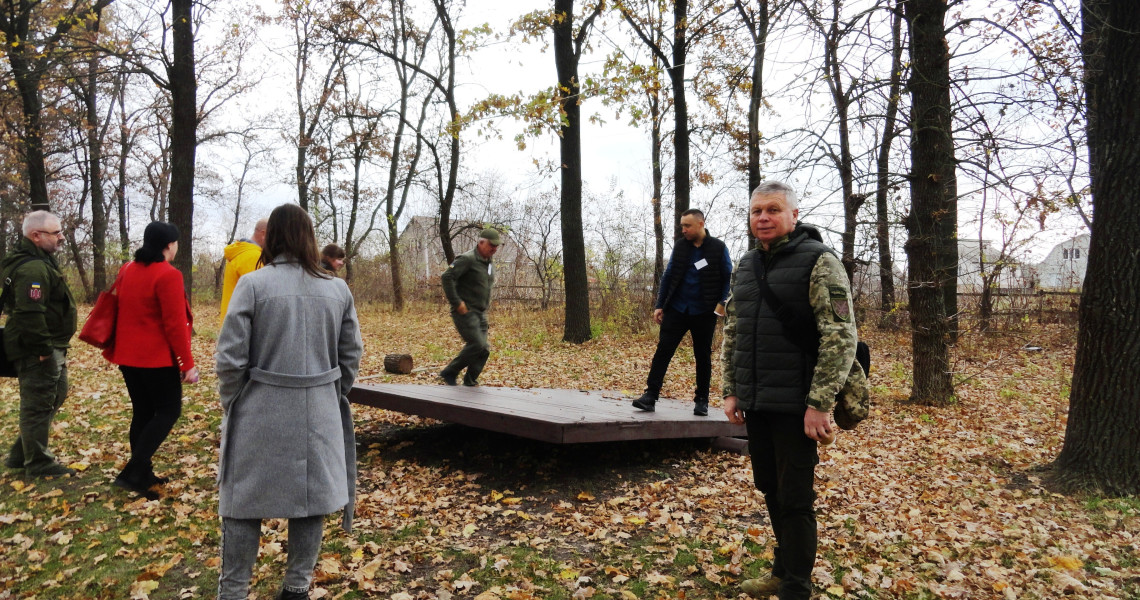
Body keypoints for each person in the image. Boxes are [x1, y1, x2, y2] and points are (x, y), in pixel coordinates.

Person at [721, 181, 866, 600]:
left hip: (799, 405)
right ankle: (782, 571)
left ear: (793, 215)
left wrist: (820, 403)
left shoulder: (819, 261)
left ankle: (796, 588)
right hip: (758, 401)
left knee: (796, 497)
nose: (762, 218)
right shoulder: (747, 264)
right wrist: (732, 390)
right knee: (770, 486)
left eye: (772, 210)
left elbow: (841, 337)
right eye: (756, 211)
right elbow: (734, 333)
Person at [215, 203, 363, 600]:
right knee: (310, 501)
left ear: (273, 236)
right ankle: (296, 588)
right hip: (320, 409)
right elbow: (351, 356)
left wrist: (234, 404)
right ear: (309, 237)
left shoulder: (253, 285)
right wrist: (330, 395)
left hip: (259, 409)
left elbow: (230, 360)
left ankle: (233, 591)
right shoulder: (337, 289)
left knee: (244, 500)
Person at [103, 221, 199, 500]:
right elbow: (174, 325)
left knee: (143, 413)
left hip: (128, 356)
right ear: (169, 245)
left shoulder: (127, 269)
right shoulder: (168, 275)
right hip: (156, 359)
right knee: (168, 412)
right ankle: (133, 473)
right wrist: (187, 364)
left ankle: (143, 473)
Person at [632, 208, 732, 416]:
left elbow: (727, 277)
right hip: (677, 308)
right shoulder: (680, 247)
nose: (683, 230)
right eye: (682, 226)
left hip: (704, 312)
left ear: (701, 224)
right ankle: (650, 396)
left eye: (687, 226)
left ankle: (702, 400)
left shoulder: (718, 248)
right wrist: (660, 305)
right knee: (663, 351)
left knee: (702, 355)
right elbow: (668, 276)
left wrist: (722, 304)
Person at [1, 211, 77, 477]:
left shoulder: (41, 261)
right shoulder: (33, 268)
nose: (61, 238)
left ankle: (22, 454)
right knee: (37, 403)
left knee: (55, 395)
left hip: (51, 345)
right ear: (36, 235)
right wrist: (44, 350)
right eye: (56, 233)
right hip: (38, 349)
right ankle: (38, 463)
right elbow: (29, 314)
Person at [439, 228, 501, 386]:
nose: (494, 249)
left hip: (480, 313)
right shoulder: (467, 259)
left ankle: (470, 380)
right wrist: (457, 302)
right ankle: (450, 372)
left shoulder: (488, 262)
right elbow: (447, 277)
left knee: (484, 350)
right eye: (491, 245)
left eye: (496, 246)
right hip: (465, 311)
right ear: (481, 242)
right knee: (477, 344)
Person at [219, 218, 267, 321]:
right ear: (264, 234)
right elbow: (260, 299)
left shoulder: (240, 252)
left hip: (230, 321)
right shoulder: (254, 257)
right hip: (241, 325)